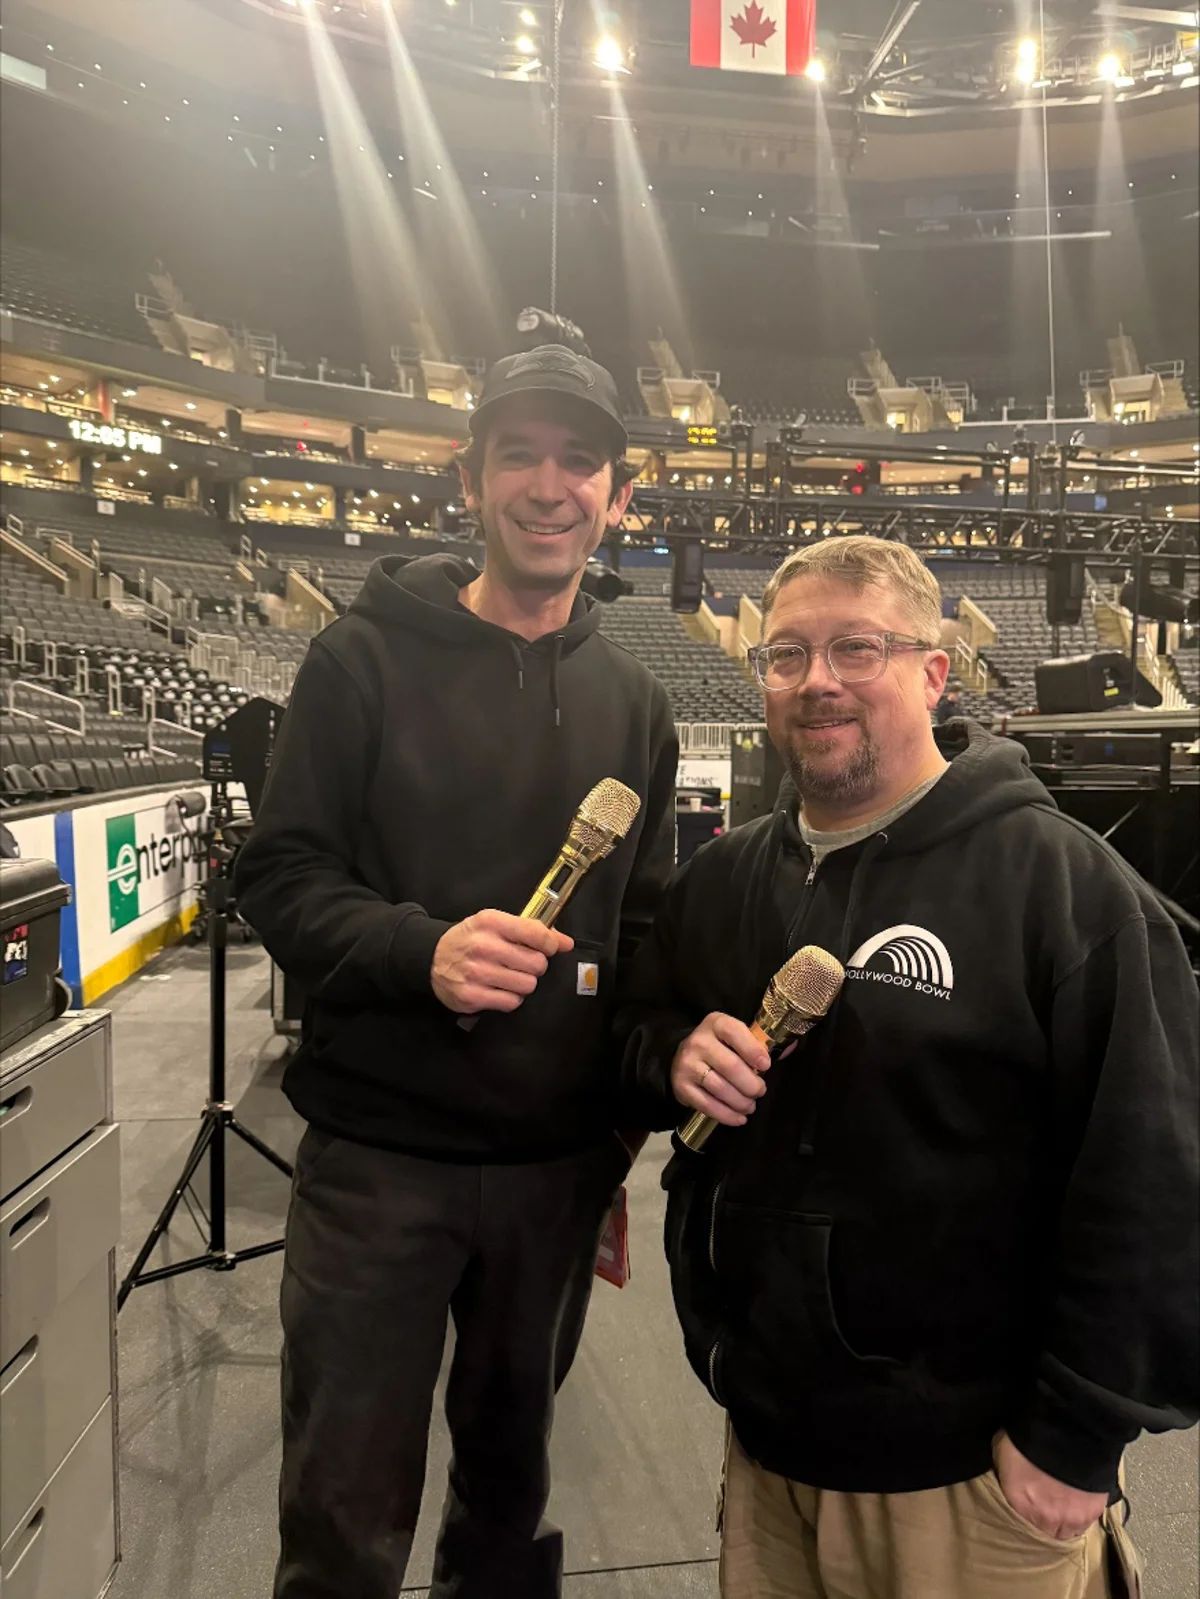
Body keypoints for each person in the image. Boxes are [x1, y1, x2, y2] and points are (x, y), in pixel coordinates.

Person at [617, 535, 1198, 1599]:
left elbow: (1153, 1178)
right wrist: (671, 1054)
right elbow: (636, 1028)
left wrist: (1078, 1435)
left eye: (858, 648)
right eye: (786, 654)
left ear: (935, 673)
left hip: (974, 1477)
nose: (817, 681)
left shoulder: (1066, 888)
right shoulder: (726, 879)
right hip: (769, 1445)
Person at [234, 344, 678, 1599]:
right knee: (342, 1520)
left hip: (551, 1176)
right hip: (378, 1167)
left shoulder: (636, 702)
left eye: (579, 461)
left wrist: (630, 1116)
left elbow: (646, 933)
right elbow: (282, 876)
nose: (550, 485)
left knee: (508, 1504)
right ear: (469, 477)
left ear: (618, 497)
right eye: (520, 454)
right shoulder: (359, 662)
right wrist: (418, 949)